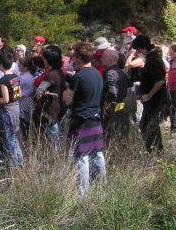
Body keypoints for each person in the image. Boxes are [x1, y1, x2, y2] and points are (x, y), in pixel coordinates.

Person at [63, 42, 106, 195]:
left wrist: (66, 90)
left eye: (74, 56)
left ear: (79, 58)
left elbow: (69, 101)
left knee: (81, 157)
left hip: (81, 120)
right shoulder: (97, 73)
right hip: (95, 118)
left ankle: (83, 193)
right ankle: (102, 186)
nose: (72, 58)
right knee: (97, 153)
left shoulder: (78, 76)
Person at [132, 35, 166, 153]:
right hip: (150, 99)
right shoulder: (152, 57)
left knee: (149, 126)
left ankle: (155, 152)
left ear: (142, 47)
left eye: (138, 49)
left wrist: (149, 95)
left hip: (153, 99)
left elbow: (160, 80)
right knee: (147, 125)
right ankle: (154, 151)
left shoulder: (153, 60)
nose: (138, 52)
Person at [0, 51, 24, 168]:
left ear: (1, 64)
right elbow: (19, 94)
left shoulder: (3, 80)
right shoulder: (15, 77)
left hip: (7, 111)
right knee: (15, 137)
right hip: (16, 108)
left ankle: (12, 168)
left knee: (8, 139)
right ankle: (20, 163)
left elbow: (5, 99)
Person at [34, 45, 66, 148]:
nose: (43, 60)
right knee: (57, 136)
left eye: (44, 58)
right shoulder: (59, 72)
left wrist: (40, 95)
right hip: (59, 108)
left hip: (51, 111)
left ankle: (57, 159)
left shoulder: (50, 75)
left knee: (54, 138)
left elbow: (39, 92)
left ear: (49, 59)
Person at [100, 49, 131, 146]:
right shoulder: (122, 72)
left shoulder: (111, 73)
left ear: (111, 60)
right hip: (122, 107)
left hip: (111, 110)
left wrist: (106, 104)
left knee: (109, 137)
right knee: (120, 137)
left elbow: (112, 92)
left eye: (103, 58)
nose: (101, 59)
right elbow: (129, 86)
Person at [18, 57, 36, 134]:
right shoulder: (30, 76)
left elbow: (17, 91)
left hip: (23, 100)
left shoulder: (23, 78)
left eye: (19, 65)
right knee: (27, 122)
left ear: (26, 67)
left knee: (22, 121)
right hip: (30, 100)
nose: (18, 66)